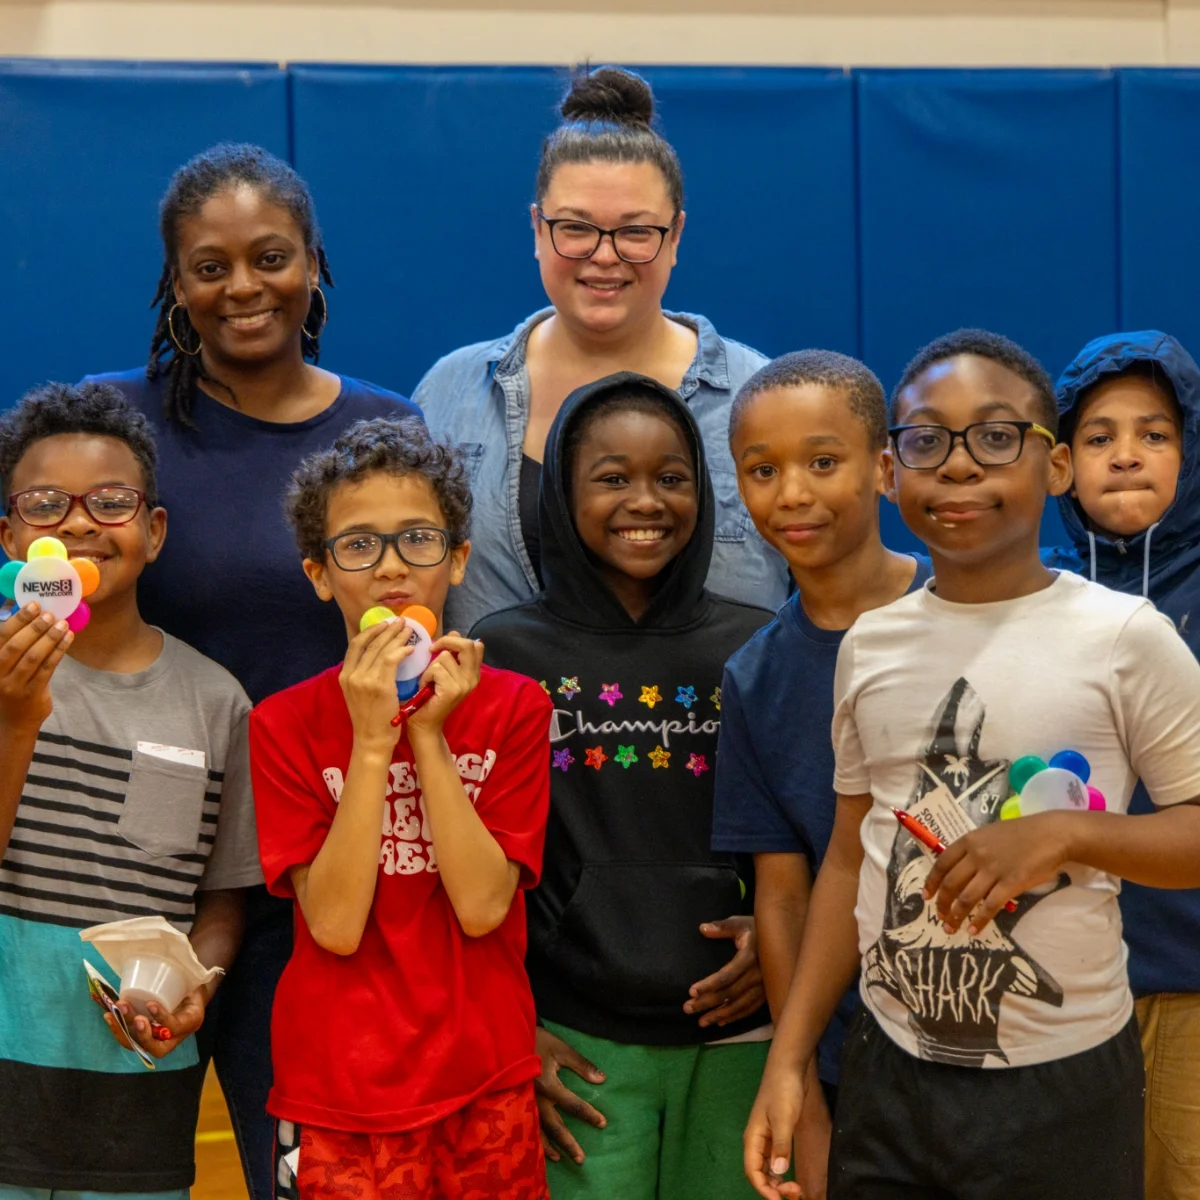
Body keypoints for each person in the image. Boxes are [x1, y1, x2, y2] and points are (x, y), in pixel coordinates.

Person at [743, 329, 1200, 1200]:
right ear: (888, 472)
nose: (958, 466)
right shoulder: (870, 645)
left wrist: (1066, 833)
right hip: (889, 1073)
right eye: (926, 441)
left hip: (1062, 1082)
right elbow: (850, 855)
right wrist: (790, 1059)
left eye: (995, 437)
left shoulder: (1124, 636)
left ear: (1055, 466)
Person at [84, 142, 420, 1200]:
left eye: (269, 256)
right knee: (103, 1167)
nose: (242, 287)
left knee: (308, 1175)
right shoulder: (111, 425)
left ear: (315, 263)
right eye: (209, 265)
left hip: (318, 871)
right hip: (131, 866)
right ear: (174, 283)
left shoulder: (382, 429)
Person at [473, 371, 771, 1199]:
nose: (646, 500)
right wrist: (513, 1029)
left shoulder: (754, 648)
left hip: (738, 1037)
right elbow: (465, 865)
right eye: (612, 478)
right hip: (575, 1041)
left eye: (671, 478)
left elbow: (810, 834)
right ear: (562, 494)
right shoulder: (503, 654)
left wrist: (781, 937)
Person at [250, 416, 551, 1200]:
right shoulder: (281, 723)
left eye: (417, 540)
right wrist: (372, 744)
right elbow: (337, 924)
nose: (391, 570)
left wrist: (429, 738)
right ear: (320, 574)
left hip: (483, 1076)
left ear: (456, 561)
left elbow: (485, 905)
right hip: (338, 1090)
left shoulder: (516, 708)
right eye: (358, 546)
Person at [0, 382, 260, 1198]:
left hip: (132, 1110)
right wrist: (14, 719)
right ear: (11, 536)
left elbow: (219, 902)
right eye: (47, 503)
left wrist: (196, 983)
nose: (79, 523)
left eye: (110, 501)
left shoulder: (217, 702)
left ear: (153, 530)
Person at [415, 65, 787, 634]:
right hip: (486, 722)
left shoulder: (758, 396)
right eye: (576, 228)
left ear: (676, 236)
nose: (605, 256)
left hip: (711, 722)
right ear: (538, 230)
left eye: (636, 231)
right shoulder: (451, 391)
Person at [712, 350, 930, 1198]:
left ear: (883, 468)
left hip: (1017, 1043)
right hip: (856, 1056)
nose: (792, 493)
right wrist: (800, 1094)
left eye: (823, 462)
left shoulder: (972, 604)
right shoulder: (756, 675)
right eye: (762, 471)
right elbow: (785, 895)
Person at [1050, 330, 1200, 1199]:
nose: (1127, 456)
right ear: (1062, 464)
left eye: (1155, 434)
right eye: (1100, 438)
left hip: (1187, 978)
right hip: (1068, 984)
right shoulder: (1038, 591)